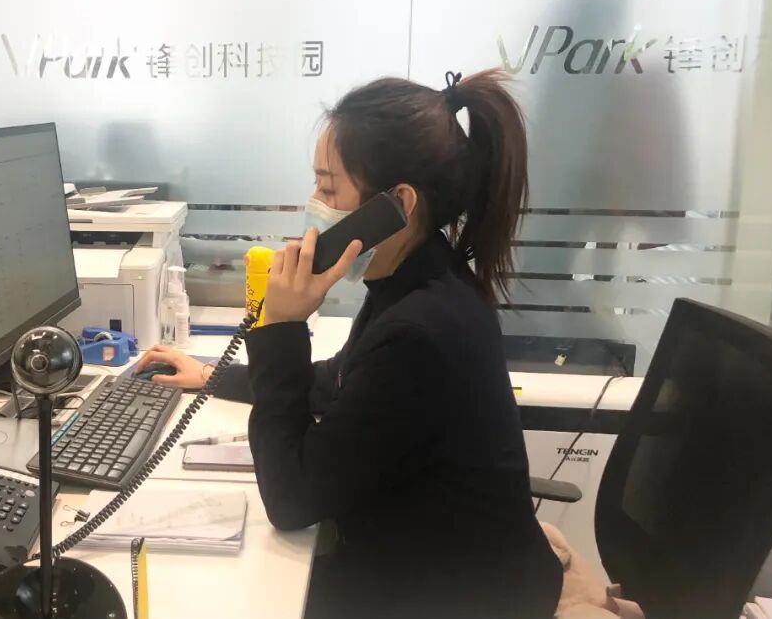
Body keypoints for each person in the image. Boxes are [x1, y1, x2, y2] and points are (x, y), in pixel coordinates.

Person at [136, 70, 563, 618]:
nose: (314, 202)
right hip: (432, 564)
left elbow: (291, 500)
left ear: (397, 203)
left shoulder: (418, 333)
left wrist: (280, 326)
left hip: (458, 598)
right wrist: (211, 376)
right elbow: (337, 380)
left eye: (328, 186)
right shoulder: (418, 279)